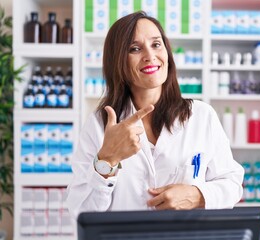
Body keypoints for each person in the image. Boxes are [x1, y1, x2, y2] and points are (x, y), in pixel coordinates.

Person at [66, 11, 244, 218]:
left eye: (156, 44)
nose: (150, 56)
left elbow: (232, 184)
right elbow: (80, 212)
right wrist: (107, 159)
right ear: (118, 61)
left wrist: (197, 195)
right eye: (135, 48)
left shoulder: (202, 116)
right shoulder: (99, 125)